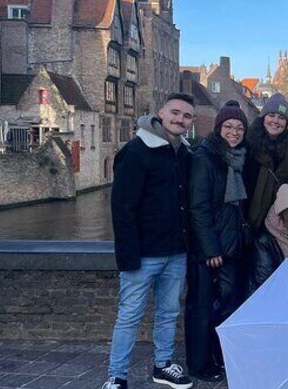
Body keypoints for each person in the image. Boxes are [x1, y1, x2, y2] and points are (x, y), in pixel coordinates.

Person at [102, 93, 195, 389]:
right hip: (143, 254)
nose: (180, 119)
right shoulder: (136, 152)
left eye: (186, 116)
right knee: (129, 316)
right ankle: (116, 376)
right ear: (161, 113)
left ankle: (163, 365)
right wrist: (128, 256)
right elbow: (122, 208)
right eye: (175, 113)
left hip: (176, 252)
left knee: (168, 313)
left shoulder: (185, 153)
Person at [185, 100, 250, 383]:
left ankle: (216, 355)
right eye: (228, 127)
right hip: (209, 250)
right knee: (202, 307)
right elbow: (198, 207)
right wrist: (210, 249)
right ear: (218, 128)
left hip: (230, 245)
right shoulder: (205, 158)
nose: (234, 132)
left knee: (224, 305)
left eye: (239, 128)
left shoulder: (236, 158)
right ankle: (198, 364)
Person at [244, 93, 288, 237]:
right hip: (247, 219)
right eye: (271, 115)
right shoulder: (247, 144)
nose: (275, 121)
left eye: (281, 117)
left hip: (278, 221)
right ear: (263, 117)